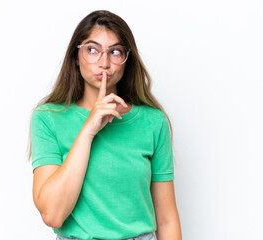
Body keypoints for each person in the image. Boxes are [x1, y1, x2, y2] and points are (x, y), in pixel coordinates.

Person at [28, 10, 182, 240]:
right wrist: (89, 129)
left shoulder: (153, 122)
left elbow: (167, 219)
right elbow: (53, 214)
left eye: (115, 52)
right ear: (75, 56)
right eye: (92, 50)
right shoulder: (48, 118)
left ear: (126, 61)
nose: (104, 63)